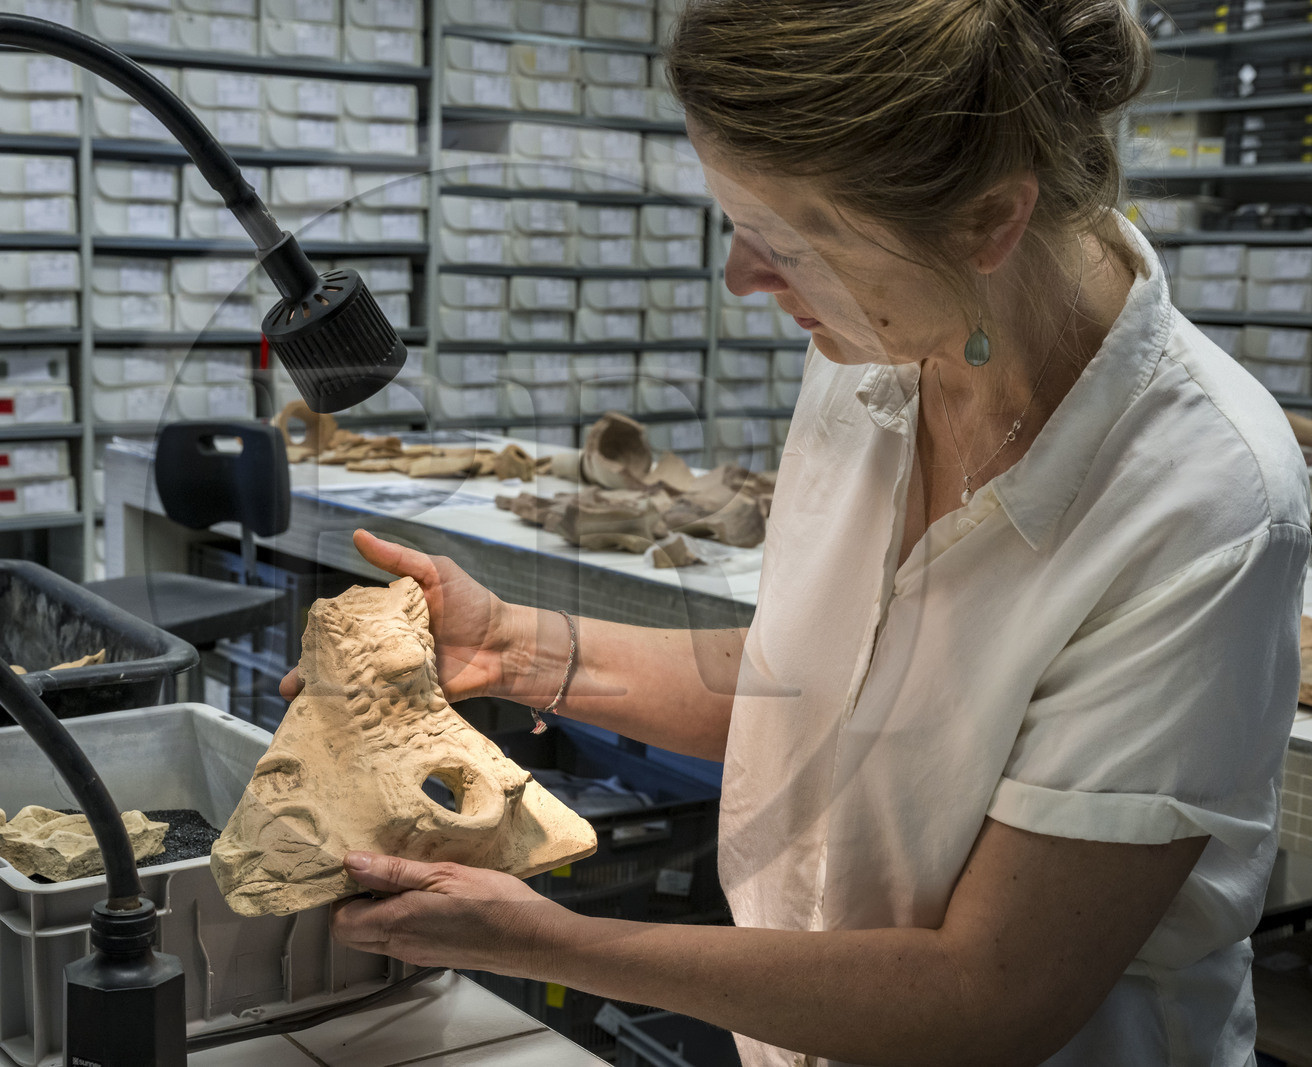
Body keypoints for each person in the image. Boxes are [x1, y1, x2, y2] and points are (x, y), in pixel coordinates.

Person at [281, 1, 1312, 1062]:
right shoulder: (877, 342)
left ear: (986, 222)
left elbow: (991, 993)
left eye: (785, 242)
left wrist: (545, 939)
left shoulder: (1204, 503)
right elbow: (816, 686)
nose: (743, 278)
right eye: (738, 225)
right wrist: (512, 645)